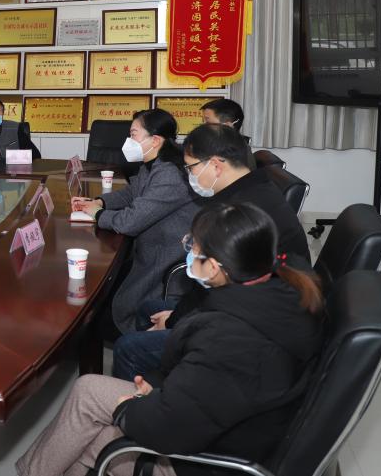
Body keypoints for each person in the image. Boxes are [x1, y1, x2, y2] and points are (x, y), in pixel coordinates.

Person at [17, 202, 325, 476]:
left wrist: (127, 411)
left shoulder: (232, 339)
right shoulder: (284, 291)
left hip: (205, 460)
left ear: (214, 268)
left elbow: (169, 428)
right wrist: (154, 384)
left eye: (193, 247)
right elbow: (204, 388)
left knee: (97, 436)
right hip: (224, 426)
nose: (188, 251)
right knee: (88, 395)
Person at [111, 124, 312, 380]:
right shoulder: (254, 188)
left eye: (191, 168)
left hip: (256, 324)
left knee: (129, 348)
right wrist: (176, 318)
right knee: (148, 310)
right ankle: (165, 379)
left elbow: (216, 286)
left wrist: (175, 321)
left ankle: (155, 394)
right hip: (247, 300)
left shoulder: (239, 212)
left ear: (216, 165)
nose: (189, 176)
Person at [71, 109, 199, 334]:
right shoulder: (154, 163)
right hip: (149, 247)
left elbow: (129, 222)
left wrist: (97, 214)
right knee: (104, 290)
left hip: (164, 256)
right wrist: (99, 201)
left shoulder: (170, 173)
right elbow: (131, 193)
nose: (128, 141)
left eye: (133, 134)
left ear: (155, 140)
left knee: (105, 310)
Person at [201, 97, 254, 168]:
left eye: (207, 121)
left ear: (227, 126)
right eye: (203, 121)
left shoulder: (232, 154)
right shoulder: (216, 146)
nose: (202, 126)